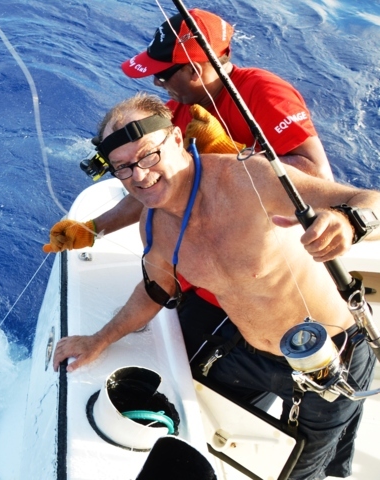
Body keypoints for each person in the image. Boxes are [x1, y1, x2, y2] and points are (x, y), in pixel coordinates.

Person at [52, 93, 379, 479]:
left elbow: (368, 199)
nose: (139, 175)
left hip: (329, 357)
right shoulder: (154, 227)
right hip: (249, 354)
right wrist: (99, 340)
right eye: (123, 168)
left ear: (176, 138)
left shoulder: (250, 178)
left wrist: (348, 221)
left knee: (307, 470)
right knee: (192, 421)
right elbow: (155, 291)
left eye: (148, 155)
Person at [44, 9, 333, 255]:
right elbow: (152, 186)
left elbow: (318, 176)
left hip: (274, 251)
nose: (156, 83)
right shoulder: (178, 112)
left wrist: (228, 153)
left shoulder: (264, 91)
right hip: (217, 243)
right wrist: (92, 230)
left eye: (163, 74)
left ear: (194, 70)